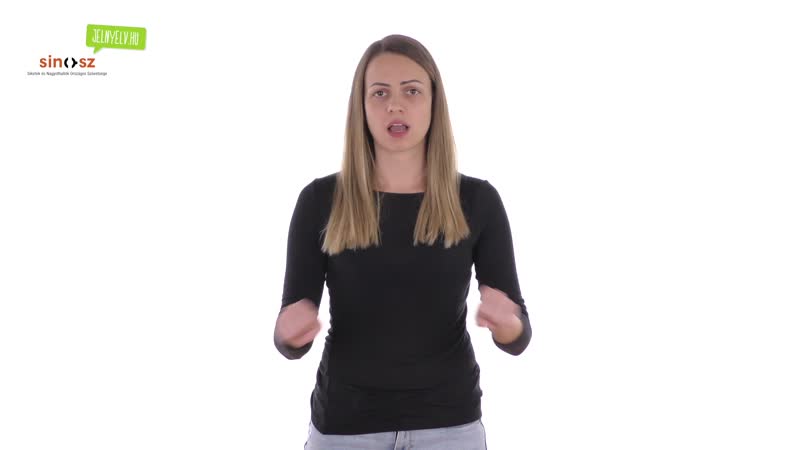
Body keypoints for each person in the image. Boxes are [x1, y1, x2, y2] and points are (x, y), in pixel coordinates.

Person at [273, 34, 532, 449]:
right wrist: (289, 332)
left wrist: (508, 322)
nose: (395, 105)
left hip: (450, 426)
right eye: (380, 93)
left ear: (433, 102)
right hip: (345, 427)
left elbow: (518, 338)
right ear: (361, 106)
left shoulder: (477, 201)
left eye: (411, 91)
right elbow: (289, 336)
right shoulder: (320, 200)